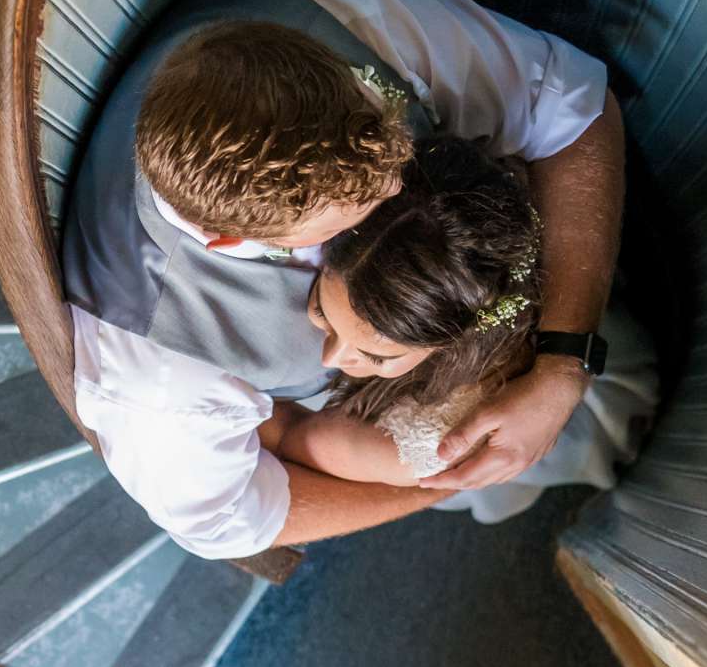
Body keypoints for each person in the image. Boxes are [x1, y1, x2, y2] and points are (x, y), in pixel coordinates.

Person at [61, 0, 627, 561]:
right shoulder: (160, 374)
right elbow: (228, 523)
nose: (397, 189)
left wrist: (563, 364)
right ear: (229, 239)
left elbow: (573, 104)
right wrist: (435, 487)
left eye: (391, 161)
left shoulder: (337, 14)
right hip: (328, 413)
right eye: (359, 208)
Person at [265, 136, 656, 522]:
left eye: (376, 355)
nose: (330, 357)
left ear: (450, 342)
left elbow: (286, 439)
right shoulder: (470, 232)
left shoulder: (426, 444)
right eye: (321, 308)